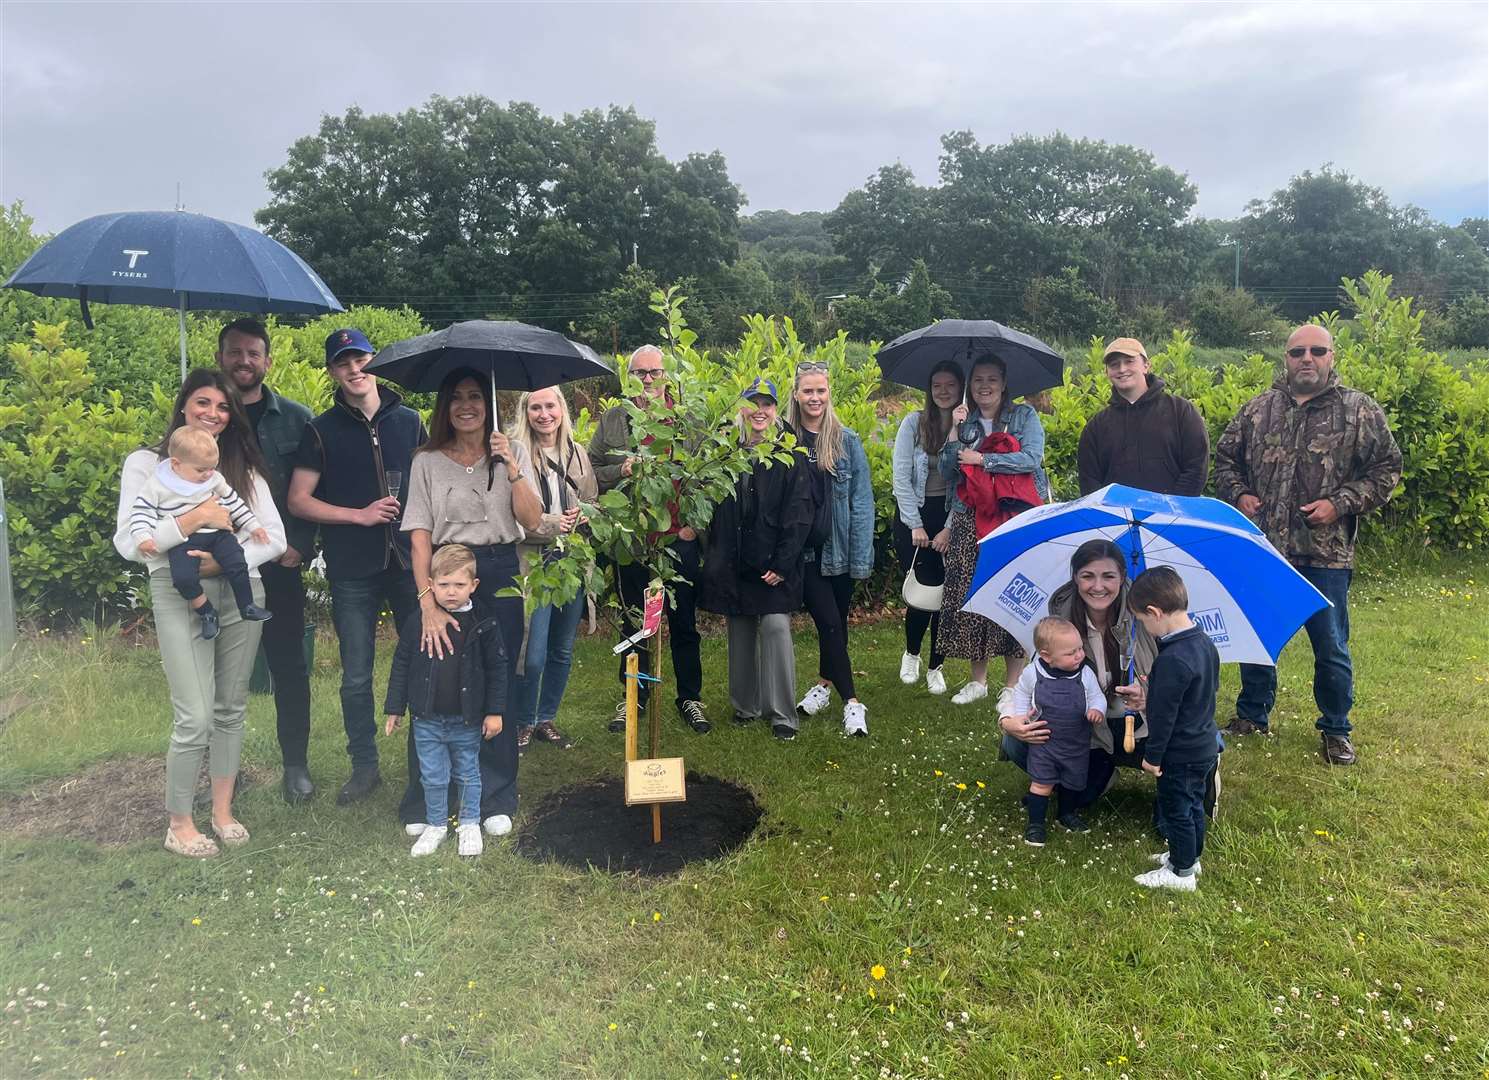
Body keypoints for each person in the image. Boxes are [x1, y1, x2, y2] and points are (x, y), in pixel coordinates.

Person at [113, 369, 286, 858]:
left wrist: (220, 559)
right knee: (193, 714)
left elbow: (273, 538)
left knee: (230, 708)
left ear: (234, 416)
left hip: (238, 586)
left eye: (224, 406)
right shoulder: (147, 465)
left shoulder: (239, 468)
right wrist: (191, 520)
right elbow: (131, 543)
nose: (213, 413)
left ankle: (223, 811)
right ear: (183, 406)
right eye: (203, 402)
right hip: (177, 589)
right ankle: (180, 822)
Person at [1214, 324, 1402, 766]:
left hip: (1326, 553)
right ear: (1286, 357)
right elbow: (1224, 460)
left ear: (1332, 356)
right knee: (1257, 635)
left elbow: (1387, 470)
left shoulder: (1358, 410)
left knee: (1331, 644)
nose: (1307, 358)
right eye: (1298, 351)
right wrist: (1239, 494)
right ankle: (1251, 714)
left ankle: (1337, 728)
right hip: (1264, 548)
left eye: (1317, 351)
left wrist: (1340, 504)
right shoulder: (1258, 409)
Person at [398, 368, 542, 839]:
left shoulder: (511, 452)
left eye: (476, 396)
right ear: (445, 406)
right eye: (457, 396)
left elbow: (533, 519)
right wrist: (427, 602)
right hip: (445, 573)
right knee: (436, 678)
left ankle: (497, 792)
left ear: (489, 403)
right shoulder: (426, 461)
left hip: (499, 572)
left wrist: (512, 467)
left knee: (495, 674)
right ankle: (428, 794)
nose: (467, 405)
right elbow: (419, 539)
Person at [288, 328, 426, 804]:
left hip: (410, 562)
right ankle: (364, 768)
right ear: (332, 371)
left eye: (360, 358)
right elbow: (299, 500)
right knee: (356, 675)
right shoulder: (320, 429)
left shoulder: (409, 421)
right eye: (342, 362)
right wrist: (359, 515)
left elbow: (431, 484)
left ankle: (423, 766)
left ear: (374, 361)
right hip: (351, 567)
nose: (354, 368)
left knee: (427, 663)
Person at [998, 539, 1223, 824]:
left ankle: (1204, 767)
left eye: (1109, 576)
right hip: (1090, 734)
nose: (1098, 586)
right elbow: (1029, 683)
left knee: (1179, 795)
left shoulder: (1151, 614)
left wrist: (1148, 697)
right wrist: (1008, 720)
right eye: (1087, 576)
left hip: (1144, 727)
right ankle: (1082, 775)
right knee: (1016, 743)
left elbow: (1189, 687)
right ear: (1075, 578)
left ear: (1122, 578)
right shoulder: (1059, 623)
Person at [216, 317, 318, 804]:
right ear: (221, 358)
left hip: (279, 565)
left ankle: (295, 765)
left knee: (289, 667)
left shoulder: (297, 418)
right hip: (215, 566)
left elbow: (317, 486)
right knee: (219, 671)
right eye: (235, 352)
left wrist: (301, 543)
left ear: (267, 361)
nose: (243, 361)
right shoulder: (205, 416)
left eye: (252, 353)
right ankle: (222, 773)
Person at [589, 345, 708, 734]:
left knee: (684, 624)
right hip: (633, 541)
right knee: (633, 624)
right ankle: (632, 699)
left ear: (667, 374)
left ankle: (690, 698)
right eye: (639, 373)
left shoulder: (686, 419)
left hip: (677, 540)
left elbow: (706, 475)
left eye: (654, 372)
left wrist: (695, 528)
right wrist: (618, 469)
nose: (647, 380)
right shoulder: (614, 419)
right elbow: (590, 469)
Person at [699, 379, 814, 740]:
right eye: (753, 403)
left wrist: (782, 564)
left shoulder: (789, 455)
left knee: (776, 628)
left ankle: (782, 713)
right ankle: (745, 706)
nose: (760, 411)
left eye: (767, 404)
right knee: (740, 630)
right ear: (742, 408)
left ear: (776, 410)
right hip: (736, 563)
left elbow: (799, 512)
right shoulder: (726, 453)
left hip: (774, 564)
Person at [936, 355, 1048, 710]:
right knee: (974, 590)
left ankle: (1013, 685)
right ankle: (978, 680)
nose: (985, 386)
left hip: (1014, 513)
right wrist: (954, 433)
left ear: (1004, 383)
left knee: (1015, 592)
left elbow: (1032, 458)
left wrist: (983, 460)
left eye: (992, 379)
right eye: (978, 380)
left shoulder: (1024, 416)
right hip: (971, 514)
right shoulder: (964, 420)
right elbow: (947, 470)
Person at [384, 545, 506, 858]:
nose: (451, 592)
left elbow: (497, 669)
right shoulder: (417, 622)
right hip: (427, 719)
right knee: (433, 775)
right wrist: (395, 708)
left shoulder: (485, 622)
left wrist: (494, 712)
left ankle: (469, 823)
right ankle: (436, 823)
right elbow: (402, 664)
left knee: (468, 773)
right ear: (430, 584)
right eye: (443, 585)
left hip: (466, 720)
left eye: (459, 585)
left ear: (473, 586)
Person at [786, 360, 875, 736]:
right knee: (829, 623)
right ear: (796, 394)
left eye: (821, 391)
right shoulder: (784, 440)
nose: (815, 397)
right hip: (803, 552)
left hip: (839, 549)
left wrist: (860, 555)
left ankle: (824, 685)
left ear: (829, 394)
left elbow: (861, 501)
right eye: (808, 391)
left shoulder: (847, 441)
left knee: (835, 625)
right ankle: (853, 703)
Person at [510, 385, 597, 751]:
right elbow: (510, 513)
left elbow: (594, 500)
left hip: (572, 562)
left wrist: (585, 514)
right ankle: (522, 719)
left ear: (562, 410)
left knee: (562, 646)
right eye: (535, 408)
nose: (543, 414)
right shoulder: (516, 456)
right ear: (525, 414)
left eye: (550, 406)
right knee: (533, 650)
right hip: (535, 562)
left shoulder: (577, 454)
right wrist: (550, 523)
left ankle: (547, 717)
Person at [130, 426, 274, 638]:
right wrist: (143, 537)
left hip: (218, 534)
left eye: (212, 468)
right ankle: (206, 611)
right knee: (183, 579)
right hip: (184, 541)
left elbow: (234, 502)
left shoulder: (213, 479)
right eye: (201, 470)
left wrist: (253, 525)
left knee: (237, 561)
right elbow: (141, 512)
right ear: (176, 464)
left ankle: (247, 605)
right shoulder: (157, 485)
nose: (208, 474)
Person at [1127, 567, 1221, 892]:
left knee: (1177, 808)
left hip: (1179, 752)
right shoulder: (1204, 643)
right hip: (1205, 745)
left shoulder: (1171, 659)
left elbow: (1164, 717)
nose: (1143, 626)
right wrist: (1157, 691)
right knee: (1194, 803)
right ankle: (1190, 857)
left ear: (1154, 612)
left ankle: (1181, 874)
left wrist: (1153, 757)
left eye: (1141, 620)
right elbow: (1198, 692)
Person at [892, 360, 963, 696]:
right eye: (937, 385)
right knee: (921, 591)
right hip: (914, 516)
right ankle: (912, 653)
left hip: (950, 517)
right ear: (929, 390)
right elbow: (900, 478)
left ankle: (937, 665)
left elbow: (966, 485)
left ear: (961, 388)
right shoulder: (913, 424)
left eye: (950, 384)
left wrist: (949, 527)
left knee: (947, 596)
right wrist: (916, 525)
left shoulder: (969, 428)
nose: (943, 391)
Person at [1007, 617, 1107, 846]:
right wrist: (1020, 717)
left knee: (1073, 781)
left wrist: (1096, 710)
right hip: (1044, 742)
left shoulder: (1085, 673)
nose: (1079, 655)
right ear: (1046, 656)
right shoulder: (1033, 673)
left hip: (1076, 743)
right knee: (1041, 783)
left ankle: (1067, 814)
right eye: (1071, 653)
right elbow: (1021, 694)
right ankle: (1035, 824)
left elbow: (1096, 696)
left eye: (1080, 648)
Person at [1077, 337, 1210, 496]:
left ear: (1146, 365)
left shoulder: (1181, 411)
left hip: (1174, 515)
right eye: (1114, 364)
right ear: (1107, 372)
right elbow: (1089, 483)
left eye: (1129, 361)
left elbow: (1196, 467)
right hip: (1117, 518)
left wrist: (1169, 509)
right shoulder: (1095, 427)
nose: (1122, 369)